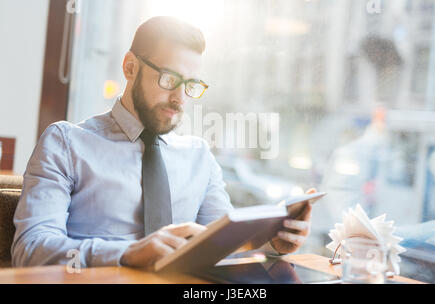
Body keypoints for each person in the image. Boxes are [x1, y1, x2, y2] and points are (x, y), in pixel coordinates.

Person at [11, 16, 313, 269]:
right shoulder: (66, 143)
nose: (180, 99)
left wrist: (272, 243)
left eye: (190, 85)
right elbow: (31, 251)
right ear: (130, 67)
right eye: (169, 79)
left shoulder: (199, 157)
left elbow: (223, 247)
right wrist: (127, 254)